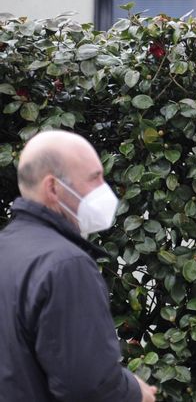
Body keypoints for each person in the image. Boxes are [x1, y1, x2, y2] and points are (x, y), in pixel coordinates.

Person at [0, 130, 158, 402]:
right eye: (94, 178)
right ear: (53, 188)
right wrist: (135, 393)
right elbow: (89, 388)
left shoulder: (7, 247)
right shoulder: (65, 265)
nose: (103, 189)